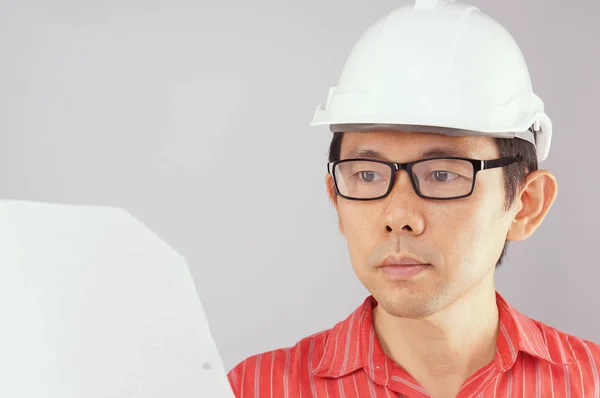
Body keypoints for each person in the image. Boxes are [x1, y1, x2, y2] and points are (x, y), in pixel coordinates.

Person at [227, 1, 600, 397]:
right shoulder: (252, 389)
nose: (398, 216)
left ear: (526, 205)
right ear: (336, 199)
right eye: (367, 175)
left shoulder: (589, 382)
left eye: (442, 174)